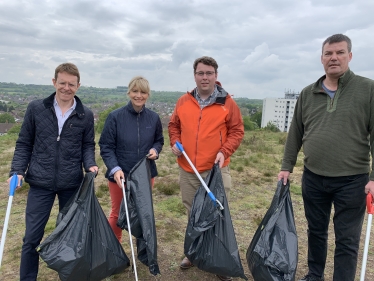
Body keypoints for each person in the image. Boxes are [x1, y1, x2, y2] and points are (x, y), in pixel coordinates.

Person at [278, 34, 374, 281]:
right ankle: (314, 275)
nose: (334, 58)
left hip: (353, 181)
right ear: (321, 58)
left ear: (349, 56)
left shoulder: (368, 89)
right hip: (314, 178)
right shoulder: (308, 93)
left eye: (340, 52)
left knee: (347, 239)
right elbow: (295, 133)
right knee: (316, 231)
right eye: (329, 53)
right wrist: (286, 166)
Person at [7, 62, 98, 281]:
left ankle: (69, 276)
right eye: (63, 83)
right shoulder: (36, 108)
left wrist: (90, 164)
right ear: (54, 82)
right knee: (31, 238)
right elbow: (24, 143)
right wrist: (18, 170)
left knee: (70, 237)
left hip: (71, 184)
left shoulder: (85, 114)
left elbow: (87, 145)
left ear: (78, 86)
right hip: (40, 182)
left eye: (72, 84)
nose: (67, 88)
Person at [168, 56, 244, 281]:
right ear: (195, 75)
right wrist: (175, 142)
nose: (204, 77)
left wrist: (224, 151)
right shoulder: (184, 101)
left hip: (216, 171)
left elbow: (237, 130)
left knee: (217, 214)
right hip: (188, 169)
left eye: (209, 73)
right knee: (193, 214)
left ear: (216, 76)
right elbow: (174, 125)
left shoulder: (227, 102)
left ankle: (219, 261)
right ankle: (193, 253)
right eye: (200, 73)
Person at [99, 76, 164, 242]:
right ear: (129, 93)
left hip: (145, 174)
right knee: (117, 214)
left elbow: (159, 140)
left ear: (148, 95)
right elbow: (106, 146)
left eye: (143, 92)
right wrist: (115, 169)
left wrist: (155, 150)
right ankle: (114, 252)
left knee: (143, 213)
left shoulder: (154, 118)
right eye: (135, 91)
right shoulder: (115, 117)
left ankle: (143, 251)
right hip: (120, 174)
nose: (139, 95)